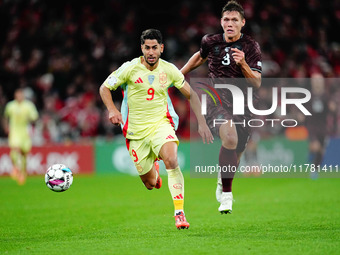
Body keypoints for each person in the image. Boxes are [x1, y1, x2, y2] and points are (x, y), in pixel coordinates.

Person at [99, 29, 213, 229]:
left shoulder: (169, 70)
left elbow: (192, 95)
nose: (150, 52)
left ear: (161, 48)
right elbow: (104, 88)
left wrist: (202, 123)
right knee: (150, 184)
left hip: (161, 125)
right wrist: (112, 110)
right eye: (147, 48)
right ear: (141, 48)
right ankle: (155, 172)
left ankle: (179, 213)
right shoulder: (129, 69)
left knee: (171, 159)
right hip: (136, 134)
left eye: (154, 48)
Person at [181, 0, 262, 214]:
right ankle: (227, 195)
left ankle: (222, 181)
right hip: (215, 100)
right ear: (221, 21)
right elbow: (200, 56)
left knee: (237, 149)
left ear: (242, 23)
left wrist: (243, 64)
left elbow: (257, 82)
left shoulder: (251, 47)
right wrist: (178, 75)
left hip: (242, 105)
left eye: (234, 20)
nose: (230, 23)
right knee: (230, 138)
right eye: (226, 19)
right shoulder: (211, 41)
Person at [3, 88, 39, 185]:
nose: (19, 97)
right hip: (14, 131)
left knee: (24, 154)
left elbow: (35, 117)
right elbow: (5, 116)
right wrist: (6, 127)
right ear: (15, 96)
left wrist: (30, 118)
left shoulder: (28, 105)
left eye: (21, 95)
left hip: (25, 132)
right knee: (15, 149)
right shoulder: (10, 106)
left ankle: (22, 172)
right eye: (17, 95)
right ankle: (15, 167)